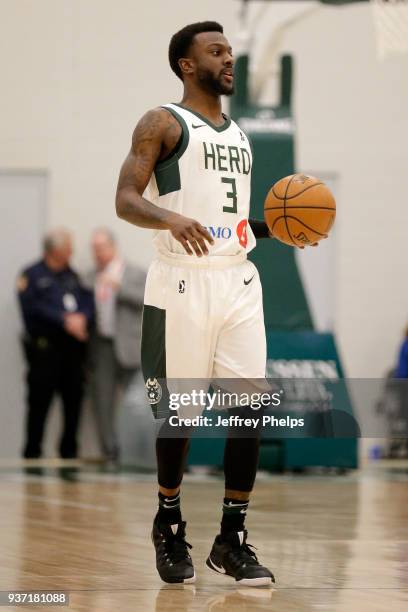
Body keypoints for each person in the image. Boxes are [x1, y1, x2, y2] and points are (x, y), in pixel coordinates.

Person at [115, 21, 276, 587]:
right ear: (188, 65)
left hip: (237, 279)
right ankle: (168, 522)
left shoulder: (240, 134)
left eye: (230, 50)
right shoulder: (161, 121)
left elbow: (225, 222)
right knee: (180, 414)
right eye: (216, 51)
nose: (229, 58)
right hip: (180, 281)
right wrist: (170, 217)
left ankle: (231, 540)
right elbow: (127, 199)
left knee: (250, 409)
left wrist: (275, 226)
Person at [17, 228, 94, 459]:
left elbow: (87, 301)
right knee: (39, 405)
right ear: (56, 250)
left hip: (73, 352)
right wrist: (64, 320)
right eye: (68, 247)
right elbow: (31, 308)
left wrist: (82, 318)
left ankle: (69, 454)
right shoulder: (30, 275)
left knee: (73, 404)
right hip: (45, 352)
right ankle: (32, 454)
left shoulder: (73, 275)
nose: (72, 251)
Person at [83, 228, 145, 464]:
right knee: (102, 401)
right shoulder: (89, 277)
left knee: (138, 402)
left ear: (112, 247)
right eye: (94, 250)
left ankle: (137, 452)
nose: (97, 254)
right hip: (102, 346)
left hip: (130, 346)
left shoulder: (135, 273)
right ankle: (110, 452)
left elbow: (147, 301)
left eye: (100, 248)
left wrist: (119, 287)